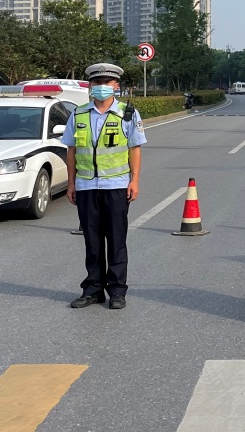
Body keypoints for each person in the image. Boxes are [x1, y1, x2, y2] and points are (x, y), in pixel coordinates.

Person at [63, 62, 145, 310]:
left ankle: (118, 291)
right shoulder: (78, 114)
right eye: (97, 83)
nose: (101, 87)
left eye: (106, 83)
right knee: (93, 241)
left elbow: (135, 149)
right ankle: (93, 290)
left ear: (116, 86)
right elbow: (71, 150)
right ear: (90, 86)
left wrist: (134, 181)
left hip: (117, 186)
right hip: (87, 186)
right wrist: (71, 183)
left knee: (117, 240)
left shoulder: (127, 113)